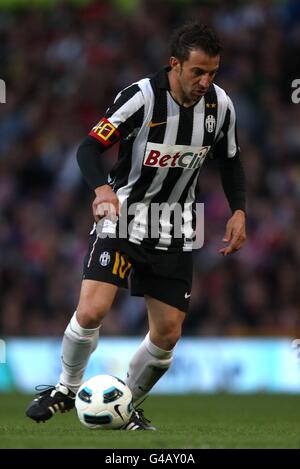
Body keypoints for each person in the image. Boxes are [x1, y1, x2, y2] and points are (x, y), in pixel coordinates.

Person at [26, 22, 246, 430]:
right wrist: (100, 191)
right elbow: (89, 147)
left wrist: (238, 211)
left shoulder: (221, 106)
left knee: (168, 334)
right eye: (198, 71)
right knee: (92, 310)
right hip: (123, 216)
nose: (205, 81)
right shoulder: (141, 98)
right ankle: (65, 388)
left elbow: (230, 160)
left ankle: (126, 406)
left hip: (178, 226)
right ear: (174, 64)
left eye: (213, 72)